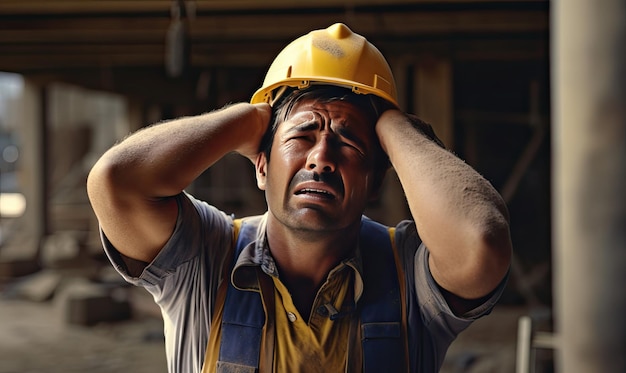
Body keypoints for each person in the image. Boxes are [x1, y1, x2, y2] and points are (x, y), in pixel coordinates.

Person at [87, 23, 511, 373]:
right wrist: (252, 119)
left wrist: (393, 127)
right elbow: (115, 183)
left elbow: (482, 244)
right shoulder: (206, 260)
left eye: (348, 143)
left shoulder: (410, 279)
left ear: (376, 180)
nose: (321, 158)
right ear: (261, 165)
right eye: (303, 137)